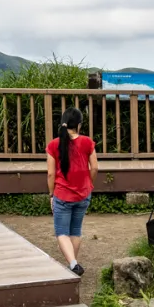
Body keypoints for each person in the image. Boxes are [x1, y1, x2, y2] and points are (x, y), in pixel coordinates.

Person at [46, 107, 97, 275]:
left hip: (62, 194)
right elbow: (95, 167)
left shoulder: (54, 145)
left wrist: (51, 194)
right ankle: (73, 266)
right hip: (83, 194)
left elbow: (51, 173)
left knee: (61, 232)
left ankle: (73, 263)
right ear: (79, 125)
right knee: (75, 231)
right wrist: (89, 184)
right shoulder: (87, 142)